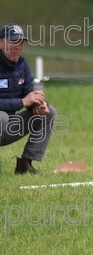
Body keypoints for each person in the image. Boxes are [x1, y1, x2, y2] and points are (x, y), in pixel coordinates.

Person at [0, 24, 56, 174]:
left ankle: (25, 165)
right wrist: (23, 102)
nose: (17, 47)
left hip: (8, 127)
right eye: (13, 42)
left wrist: (38, 105)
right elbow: (24, 100)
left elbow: (29, 92)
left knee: (49, 112)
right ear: (1, 43)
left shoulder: (23, 65)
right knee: (2, 116)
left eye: (20, 42)